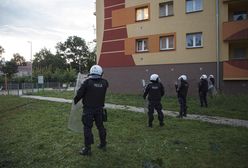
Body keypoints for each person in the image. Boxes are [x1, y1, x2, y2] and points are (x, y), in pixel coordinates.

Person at [74, 65, 108, 156]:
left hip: (88, 109)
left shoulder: (87, 82)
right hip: (99, 109)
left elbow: (79, 94)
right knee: (100, 126)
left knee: (87, 128)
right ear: (100, 72)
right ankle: (103, 143)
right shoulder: (105, 83)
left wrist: (75, 101)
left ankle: (87, 149)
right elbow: (99, 86)